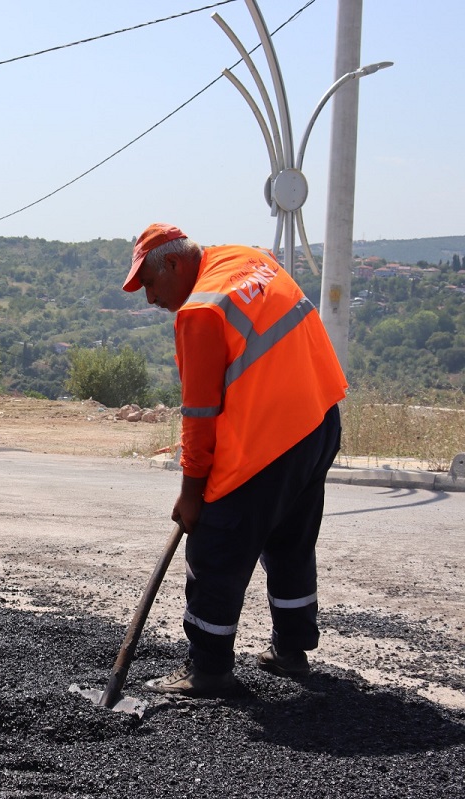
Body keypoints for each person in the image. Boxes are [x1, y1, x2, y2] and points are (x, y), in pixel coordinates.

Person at [122, 223, 347, 697]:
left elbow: (199, 417)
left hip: (269, 439)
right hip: (320, 418)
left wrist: (191, 495)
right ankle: (292, 651)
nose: (150, 300)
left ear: (176, 265)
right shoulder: (250, 259)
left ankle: (207, 669)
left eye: (150, 284)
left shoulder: (201, 310)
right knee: (289, 538)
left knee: (214, 549)